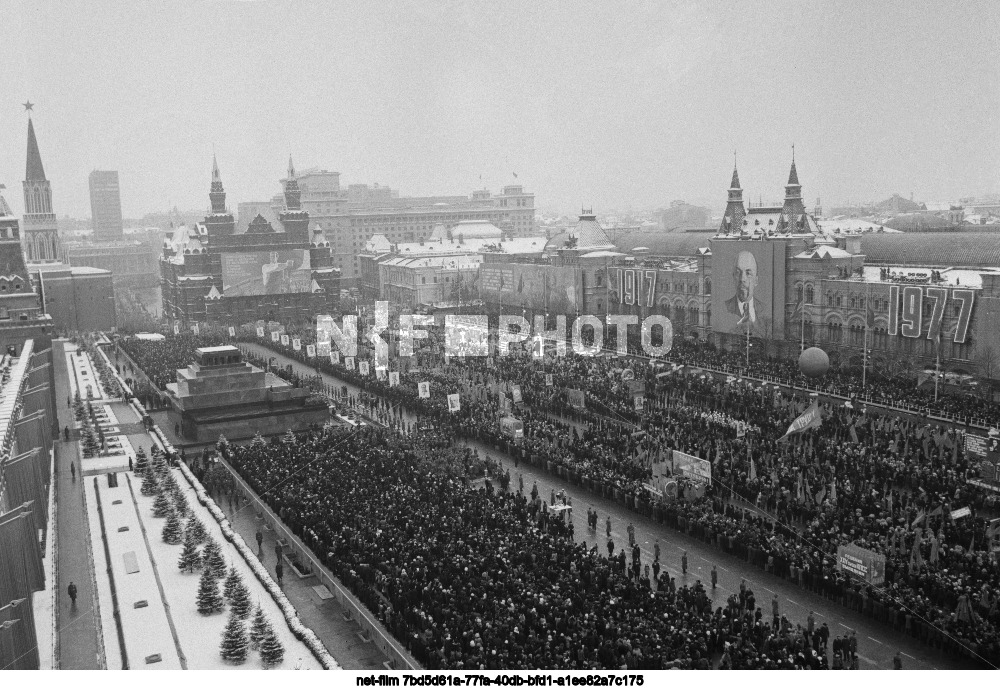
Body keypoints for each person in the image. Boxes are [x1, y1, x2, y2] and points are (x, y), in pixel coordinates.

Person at [724, 250, 763, 328]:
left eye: (748, 273)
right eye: (738, 273)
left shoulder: (764, 308)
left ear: (756, 280)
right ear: (733, 278)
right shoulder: (724, 307)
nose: (742, 279)